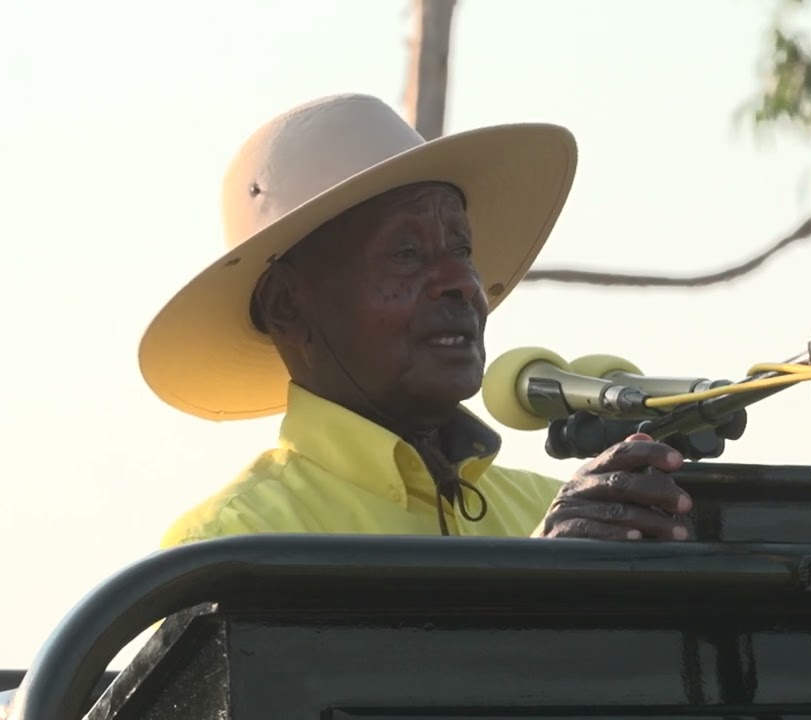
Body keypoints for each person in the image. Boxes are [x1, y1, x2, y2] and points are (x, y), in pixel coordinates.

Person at [143, 94, 692, 547]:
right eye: (406, 254)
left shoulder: (561, 510)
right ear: (287, 304)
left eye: (463, 249)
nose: (462, 282)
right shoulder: (236, 542)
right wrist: (546, 580)